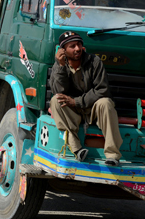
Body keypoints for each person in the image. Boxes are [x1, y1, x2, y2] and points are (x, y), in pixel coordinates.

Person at [49, 31, 122, 166]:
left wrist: (76, 101)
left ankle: (112, 155)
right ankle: (77, 149)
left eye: (79, 45)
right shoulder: (58, 66)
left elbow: (102, 89)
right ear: (63, 50)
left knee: (106, 103)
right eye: (72, 46)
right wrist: (61, 67)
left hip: (93, 109)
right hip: (73, 112)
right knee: (55, 100)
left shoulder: (94, 61)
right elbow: (59, 91)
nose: (77, 49)